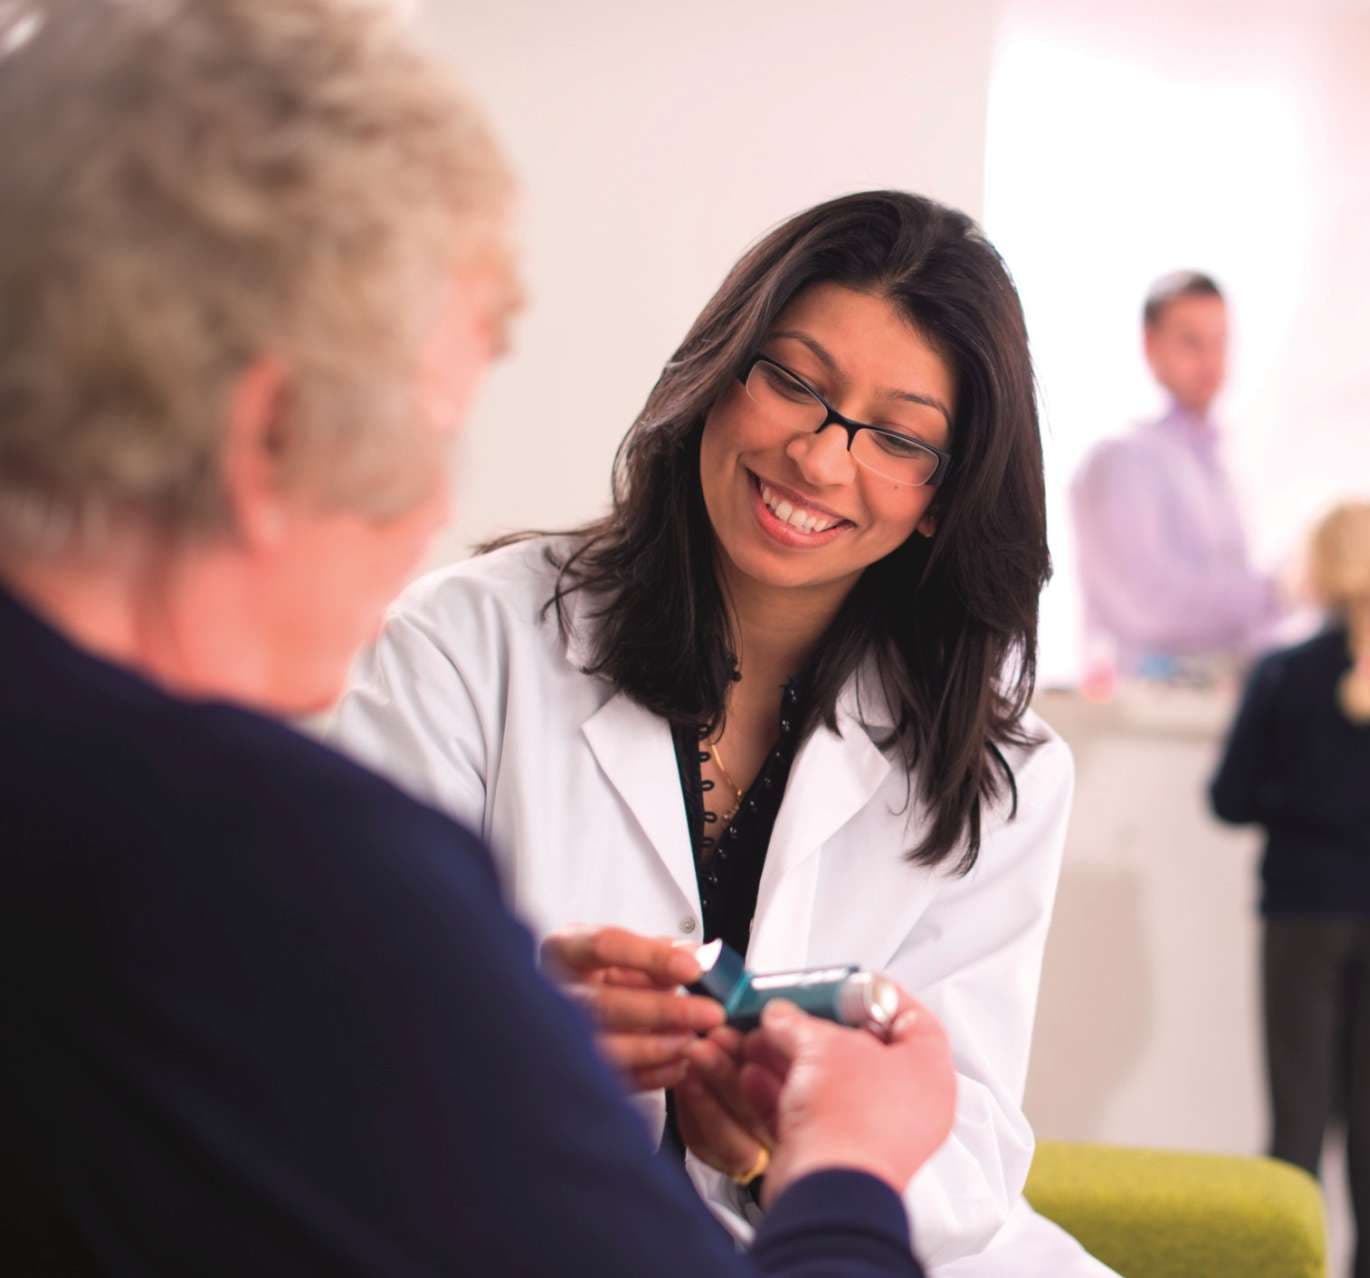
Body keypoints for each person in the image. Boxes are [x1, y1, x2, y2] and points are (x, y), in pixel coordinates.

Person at [0, 3, 959, 1273]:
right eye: (432, 421)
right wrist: (845, 1169)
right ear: (272, 436)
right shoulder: (277, 868)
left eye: (896, 436)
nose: (435, 509)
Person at [327, 191, 1110, 1276]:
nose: (821, 459)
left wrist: (766, 1152)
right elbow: (328, 1026)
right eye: (793, 381)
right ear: (717, 374)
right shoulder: (467, 645)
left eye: (895, 437)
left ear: (942, 496)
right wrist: (521, 1042)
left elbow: (967, 1152)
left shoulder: (1002, 772)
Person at [1209, 502, 1370, 1278]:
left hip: (1300, 916)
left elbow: (1230, 799)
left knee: (1297, 1118)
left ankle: (1281, 1265)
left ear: (1317, 570)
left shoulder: (1282, 675)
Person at [1070, 271, 1281, 682]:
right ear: (1151, 345)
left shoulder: (1216, 466)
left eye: (1220, 341)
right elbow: (1150, 605)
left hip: (1203, 703)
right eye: (1190, 341)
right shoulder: (1121, 460)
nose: (1209, 360)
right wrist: (1276, 592)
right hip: (1140, 713)